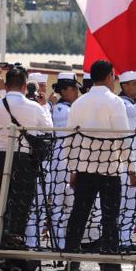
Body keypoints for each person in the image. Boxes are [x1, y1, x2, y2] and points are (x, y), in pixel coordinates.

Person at [63, 60, 133, 271]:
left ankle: (71, 263)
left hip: (84, 168)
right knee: (109, 217)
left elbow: (69, 139)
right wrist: (131, 166)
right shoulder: (115, 102)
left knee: (78, 215)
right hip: (109, 169)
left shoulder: (79, 103)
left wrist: (73, 168)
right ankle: (110, 265)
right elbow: (123, 137)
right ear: (110, 76)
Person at [0, 65, 53, 252]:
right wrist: (43, 105)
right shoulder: (34, 108)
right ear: (25, 86)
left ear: (6, 85)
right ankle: (14, 241)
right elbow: (48, 127)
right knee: (21, 203)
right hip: (23, 158)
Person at [45, 72, 81, 250]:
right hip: (64, 159)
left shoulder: (59, 108)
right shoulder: (64, 110)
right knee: (61, 203)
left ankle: (62, 241)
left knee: (68, 204)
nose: (77, 93)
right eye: (74, 89)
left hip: (64, 158)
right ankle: (60, 243)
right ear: (64, 90)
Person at [116, 71, 136, 247]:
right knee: (123, 201)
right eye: (135, 83)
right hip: (124, 159)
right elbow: (134, 111)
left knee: (131, 201)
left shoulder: (135, 103)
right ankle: (121, 238)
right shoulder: (121, 102)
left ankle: (125, 238)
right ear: (125, 86)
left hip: (134, 157)